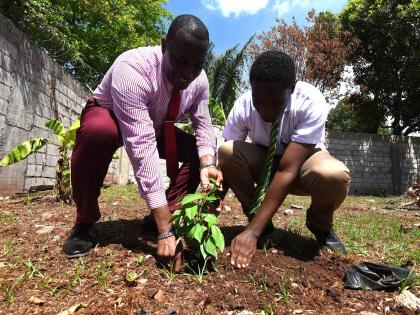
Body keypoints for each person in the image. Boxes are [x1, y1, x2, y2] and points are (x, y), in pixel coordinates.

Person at [62, 14, 223, 261]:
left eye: (197, 64)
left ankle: (167, 211)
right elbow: (141, 146)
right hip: (111, 115)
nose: (188, 73)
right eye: (181, 61)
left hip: (156, 125)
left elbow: (203, 125)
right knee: (98, 132)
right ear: (164, 46)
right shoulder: (133, 68)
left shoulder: (199, 80)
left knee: (195, 150)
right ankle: (84, 221)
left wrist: (207, 164)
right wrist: (165, 229)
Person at [218, 51, 351, 269]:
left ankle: (320, 226)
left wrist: (251, 233)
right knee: (226, 150)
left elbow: (287, 169)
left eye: (276, 101)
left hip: (303, 163)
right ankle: (261, 222)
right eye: (258, 100)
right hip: (265, 161)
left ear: (293, 86)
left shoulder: (311, 101)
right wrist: (211, 209)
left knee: (332, 175)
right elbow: (225, 163)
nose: (266, 109)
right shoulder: (243, 105)